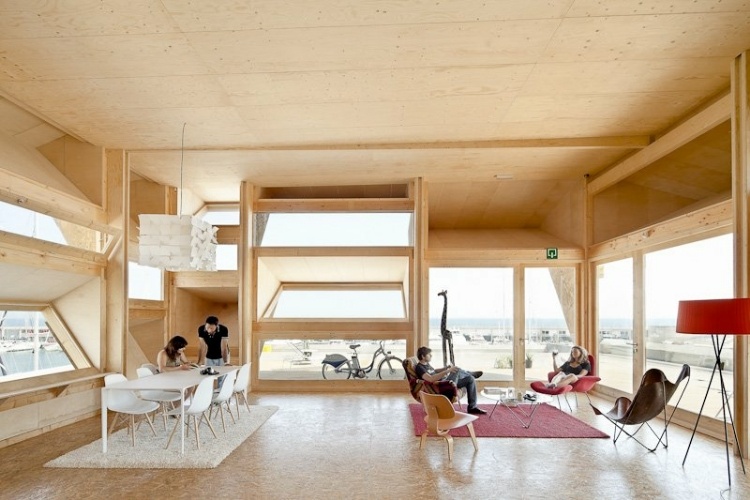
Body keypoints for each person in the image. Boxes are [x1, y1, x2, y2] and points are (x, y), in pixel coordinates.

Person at [415, 346, 486, 415]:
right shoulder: (419, 367)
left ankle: (472, 407)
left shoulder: (426, 364)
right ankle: (469, 373)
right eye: (429, 354)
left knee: (470, 379)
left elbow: (434, 371)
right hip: (442, 385)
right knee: (457, 370)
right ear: (423, 356)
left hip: (447, 381)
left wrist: (446, 368)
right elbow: (430, 379)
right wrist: (448, 371)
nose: (431, 355)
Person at [197, 315, 229, 387]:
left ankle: (221, 392)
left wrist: (225, 362)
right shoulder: (201, 329)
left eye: (211, 328)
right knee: (207, 377)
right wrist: (199, 362)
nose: (209, 330)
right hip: (209, 355)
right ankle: (208, 392)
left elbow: (223, 348)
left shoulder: (223, 329)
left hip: (222, 355)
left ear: (216, 326)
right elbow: (202, 347)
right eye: (208, 327)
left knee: (222, 376)